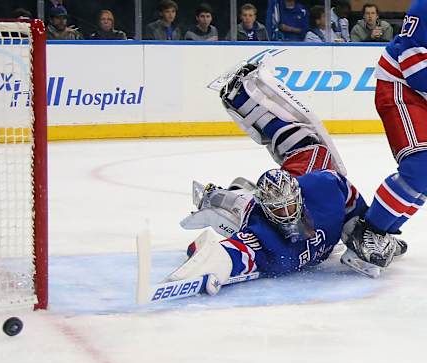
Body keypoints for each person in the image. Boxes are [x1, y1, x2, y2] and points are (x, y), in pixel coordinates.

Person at [165, 57, 407, 286]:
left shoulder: (320, 188)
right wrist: (200, 267)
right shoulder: (265, 240)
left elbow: (342, 188)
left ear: (298, 194)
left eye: (290, 206)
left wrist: (366, 229)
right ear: (267, 211)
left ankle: (242, 98)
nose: (287, 214)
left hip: (276, 199)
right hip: (253, 207)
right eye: (279, 210)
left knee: (313, 149)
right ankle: (213, 195)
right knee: (243, 202)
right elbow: (226, 254)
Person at [342, 0, 427, 270]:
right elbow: (414, 69)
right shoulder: (424, 7)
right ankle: (368, 231)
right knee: (419, 166)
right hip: (401, 88)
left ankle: (383, 231)